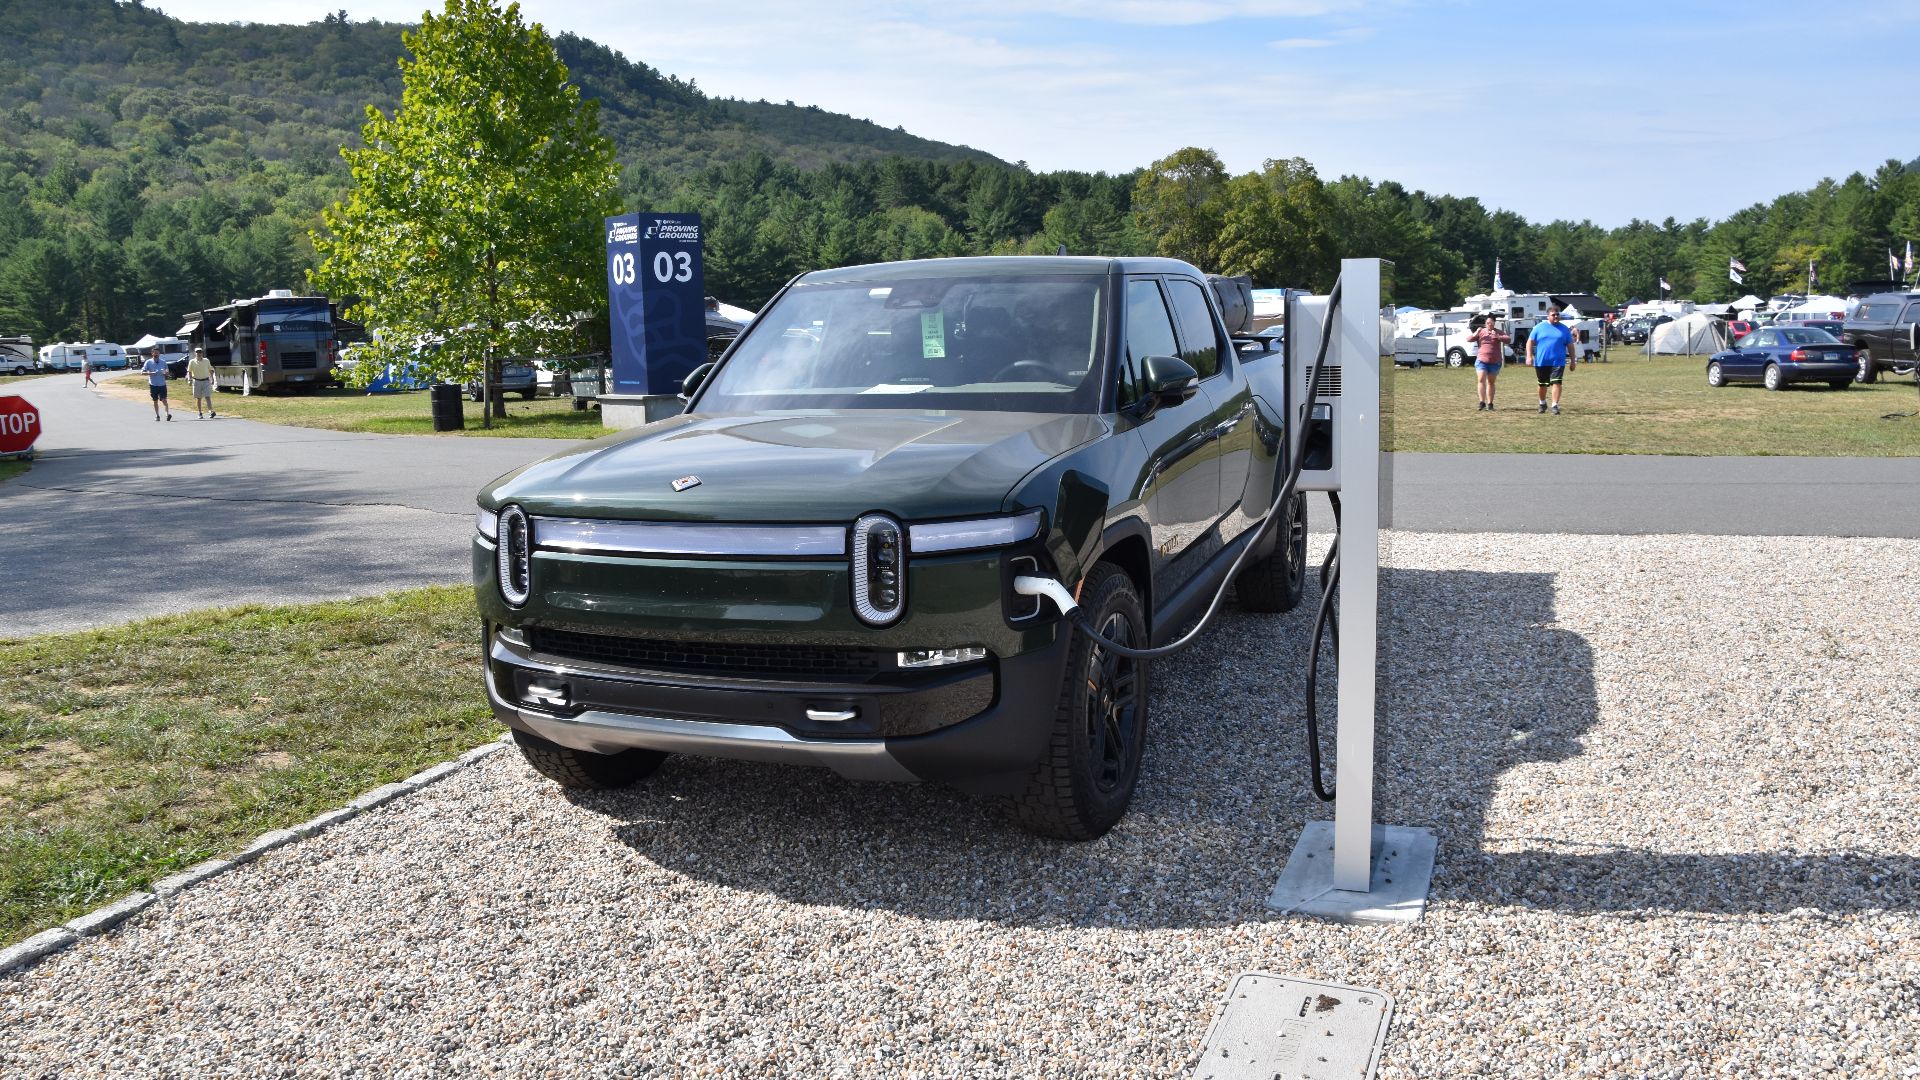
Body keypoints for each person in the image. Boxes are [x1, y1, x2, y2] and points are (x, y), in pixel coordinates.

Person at [1526, 306, 1576, 414]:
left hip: (1558, 361)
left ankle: (1554, 405)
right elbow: (1530, 342)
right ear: (1548, 316)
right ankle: (1542, 403)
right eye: (1553, 315)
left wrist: (1573, 361)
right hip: (1542, 361)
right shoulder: (1539, 327)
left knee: (1556, 382)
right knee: (1542, 385)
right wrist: (1529, 356)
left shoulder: (1564, 329)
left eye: (1557, 314)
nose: (1556, 316)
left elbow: (1570, 345)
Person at [1468, 313, 1510, 410]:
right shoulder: (1481, 331)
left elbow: (1508, 339)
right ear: (1485, 323)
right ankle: (1482, 402)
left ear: (1494, 323)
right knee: (1481, 379)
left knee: (1491, 382)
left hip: (1494, 361)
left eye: (1491, 323)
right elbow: (1469, 339)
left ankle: (1490, 403)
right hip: (1481, 360)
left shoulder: (1498, 332)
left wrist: (1498, 337)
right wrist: (1476, 333)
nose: (1489, 325)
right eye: (1487, 323)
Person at [140, 350, 172, 421]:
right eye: (154, 352)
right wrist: (150, 373)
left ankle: (167, 414)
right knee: (155, 400)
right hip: (153, 384)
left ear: (159, 354)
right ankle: (157, 416)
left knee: (164, 400)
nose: (156, 354)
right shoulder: (148, 362)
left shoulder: (163, 362)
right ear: (152, 353)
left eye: (157, 353)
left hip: (162, 384)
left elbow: (167, 372)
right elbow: (142, 372)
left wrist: (165, 373)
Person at [186, 348, 217, 419]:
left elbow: (210, 370)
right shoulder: (192, 361)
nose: (199, 353)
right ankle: (200, 413)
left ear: (202, 353)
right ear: (195, 353)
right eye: (197, 352)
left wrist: (212, 379)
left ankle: (211, 411)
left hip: (206, 380)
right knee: (198, 398)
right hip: (196, 381)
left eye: (200, 352)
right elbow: (189, 371)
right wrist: (189, 379)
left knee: (207, 396)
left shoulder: (206, 360)